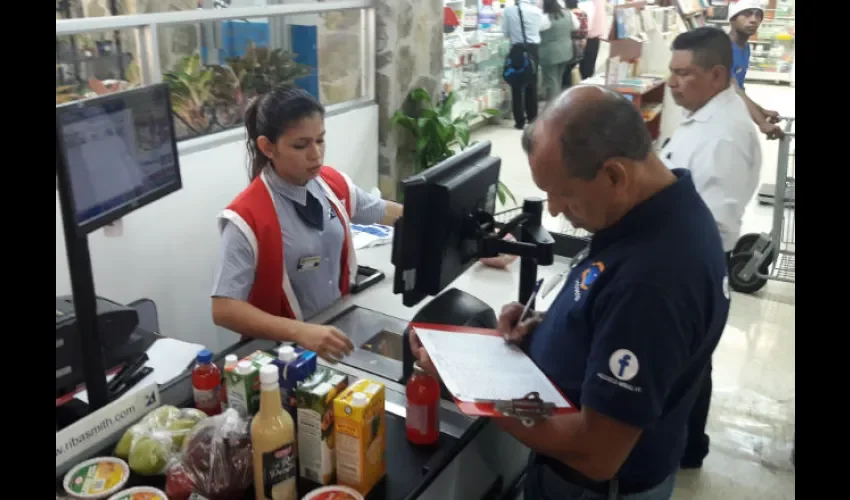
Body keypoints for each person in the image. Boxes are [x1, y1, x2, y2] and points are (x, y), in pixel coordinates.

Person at [412, 86, 730, 499]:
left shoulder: (652, 283)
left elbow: (596, 453)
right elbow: (611, 308)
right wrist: (550, 328)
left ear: (614, 175)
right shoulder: (659, 208)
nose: (557, 210)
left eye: (564, 194)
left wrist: (467, 388)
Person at [211, 86, 403, 361]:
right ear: (267, 147)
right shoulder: (246, 218)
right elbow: (224, 309)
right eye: (301, 145)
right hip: (284, 354)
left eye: (320, 140)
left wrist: (436, 216)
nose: (316, 155)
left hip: (338, 329)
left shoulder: (331, 185)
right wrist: (300, 332)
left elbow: (381, 211)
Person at [662, 27, 762, 469]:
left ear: (718, 75)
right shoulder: (707, 115)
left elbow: (715, 224)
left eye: (684, 74)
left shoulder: (723, 135)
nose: (672, 82)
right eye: (671, 71)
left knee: (687, 366)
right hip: (683, 257)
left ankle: (684, 450)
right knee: (689, 365)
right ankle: (686, 447)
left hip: (689, 266)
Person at [727, 0, 784, 140]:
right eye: (746, 14)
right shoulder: (723, 49)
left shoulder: (745, 47)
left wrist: (762, 111)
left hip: (730, 115)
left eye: (758, 15)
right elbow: (734, 90)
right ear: (732, 19)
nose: (754, 20)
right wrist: (762, 123)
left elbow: (740, 88)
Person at [502, 0, 550, 129]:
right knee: (532, 83)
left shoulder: (508, 11)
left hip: (517, 49)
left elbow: (505, 33)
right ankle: (532, 118)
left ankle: (519, 121)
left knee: (516, 83)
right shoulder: (537, 11)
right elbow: (545, 26)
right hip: (533, 50)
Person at [539, 0, 575, 102]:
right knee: (558, 78)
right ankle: (559, 102)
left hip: (549, 54)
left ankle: (553, 106)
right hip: (566, 51)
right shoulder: (568, 14)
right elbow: (575, 27)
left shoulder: (545, 18)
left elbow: (537, 31)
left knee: (551, 81)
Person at [580, 0, 606, 80]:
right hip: (595, 36)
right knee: (589, 66)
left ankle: (584, 88)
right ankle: (586, 87)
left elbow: (588, 20)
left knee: (585, 67)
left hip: (586, 37)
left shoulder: (589, 3)